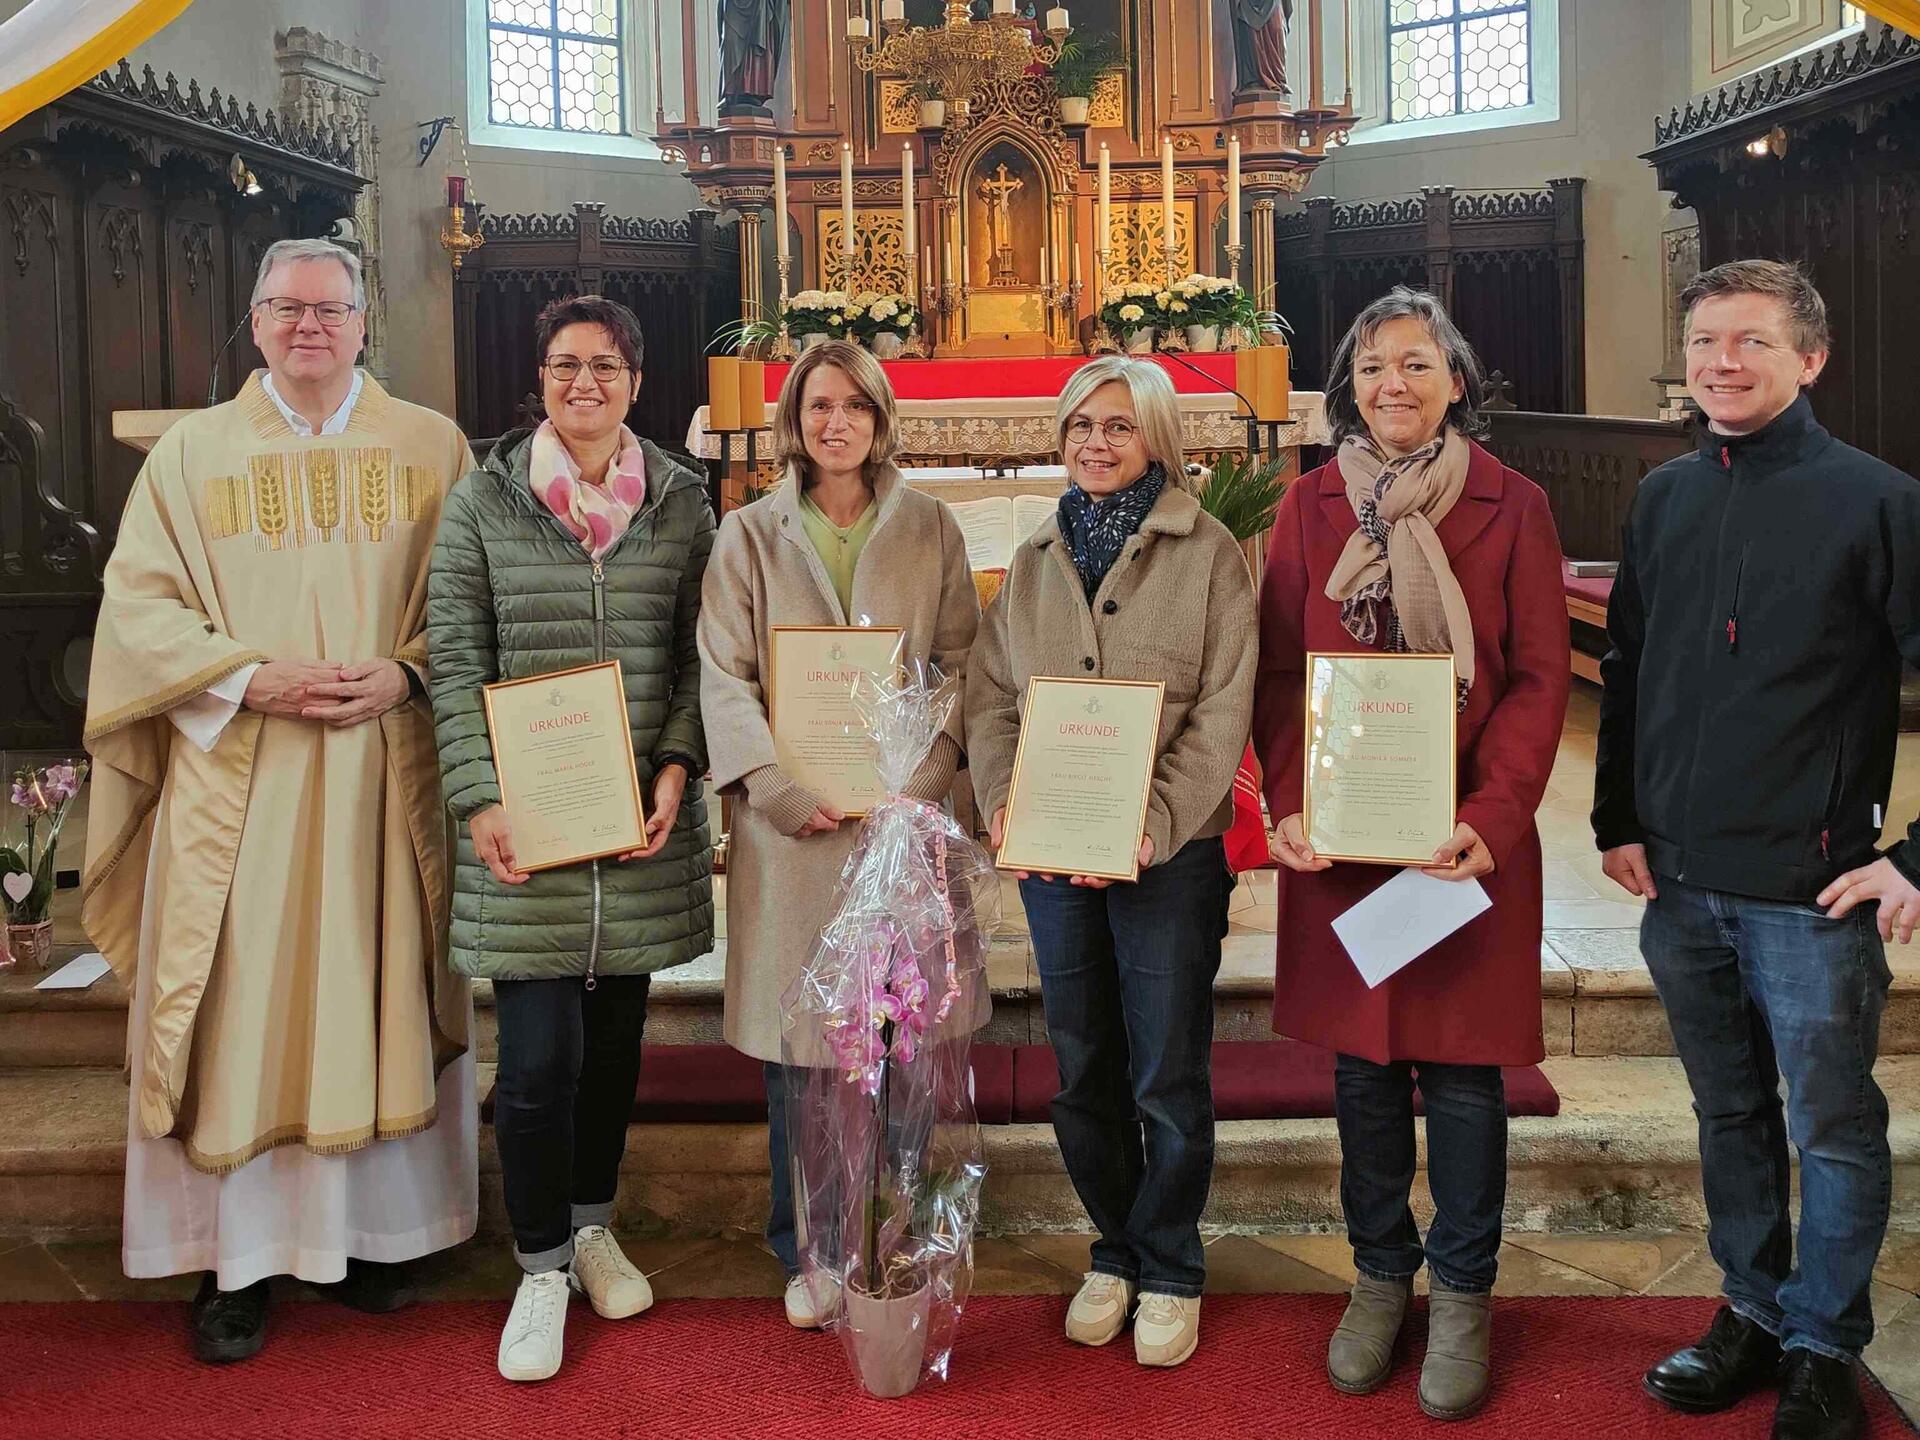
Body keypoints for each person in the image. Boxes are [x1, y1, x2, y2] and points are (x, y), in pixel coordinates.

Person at [81, 238, 478, 1364]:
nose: (309, 325)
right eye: (287, 307)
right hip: (238, 784)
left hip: (380, 782)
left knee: (374, 983)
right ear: (254, 322)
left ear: (365, 323)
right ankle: (238, 1261)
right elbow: (137, 609)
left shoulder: (432, 446)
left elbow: (474, 602)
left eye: (331, 308)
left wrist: (406, 674)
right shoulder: (192, 456)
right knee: (242, 1005)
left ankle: (376, 1237)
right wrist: (248, 678)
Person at [1594, 259, 1920, 1440]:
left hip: (1809, 890)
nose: (1721, 363)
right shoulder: (1666, 496)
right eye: (1704, 342)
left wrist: (1916, 859)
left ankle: (1824, 1346)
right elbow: (1629, 665)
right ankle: (1753, 1310)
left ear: (1810, 359)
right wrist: (1617, 820)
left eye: (1751, 341)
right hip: (1681, 886)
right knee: (1727, 1112)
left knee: (1829, 1127)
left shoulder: (1880, 501)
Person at [1253, 286, 1568, 1420]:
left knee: (1469, 1077)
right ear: (1351, 384)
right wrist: (1292, 799)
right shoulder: (1307, 507)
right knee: (1364, 1072)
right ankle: (1381, 1275)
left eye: (1417, 364)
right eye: (1375, 365)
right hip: (1347, 841)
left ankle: (1466, 1291)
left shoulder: (1513, 504)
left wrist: (1492, 814)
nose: (1394, 382)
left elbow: (1539, 678)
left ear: (1456, 382)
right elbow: (1278, 670)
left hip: (1460, 843)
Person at [426, 294, 715, 1382]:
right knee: (540, 1060)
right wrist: (480, 799)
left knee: (615, 1052)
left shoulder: (681, 503)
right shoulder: (481, 501)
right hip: (530, 826)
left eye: (604, 365)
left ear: (637, 381)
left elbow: (700, 657)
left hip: (636, 823)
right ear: (539, 379)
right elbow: (455, 657)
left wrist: (677, 767)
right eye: (563, 364)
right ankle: (540, 1264)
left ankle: (594, 1226)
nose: (583, 382)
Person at [965, 355, 1256, 1370]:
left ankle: (1170, 1263)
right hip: (1055, 855)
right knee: (1083, 1063)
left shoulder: (1210, 553)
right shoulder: (1035, 556)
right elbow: (991, 696)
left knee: (1166, 1067)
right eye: (1082, 425)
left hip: (1168, 857)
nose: (1097, 442)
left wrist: (1157, 820)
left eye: (1119, 426)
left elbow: (1225, 706)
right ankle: (1115, 1251)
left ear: (1156, 440)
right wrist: (1004, 801)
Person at [697, 340, 981, 1328]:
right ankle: (809, 1246)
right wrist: (771, 788)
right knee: (803, 1046)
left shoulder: (931, 526)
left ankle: (892, 1234)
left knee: (901, 1037)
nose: (836, 423)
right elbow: (723, 673)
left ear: (880, 418)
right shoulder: (749, 534)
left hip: (902, 825)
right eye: (819, 405)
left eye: (856, 406)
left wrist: (925, 780)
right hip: (796, 834)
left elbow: (962, 663)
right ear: (794, 419)